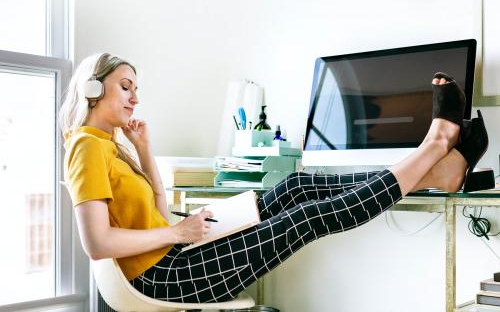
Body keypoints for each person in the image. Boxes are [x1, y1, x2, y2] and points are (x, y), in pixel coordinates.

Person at [59, 53, 489, 305]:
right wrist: (176, 230)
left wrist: (146, 152)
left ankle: (438, 167)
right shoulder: (85, 145)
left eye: (136, 88)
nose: (136, 98)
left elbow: (153, 208)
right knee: (304, 218)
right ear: (94, 92)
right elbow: (96, 243)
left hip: (174, 250)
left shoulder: (108, 144)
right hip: (161, 275)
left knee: (297, 187)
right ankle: (434, 152)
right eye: (125, 88)